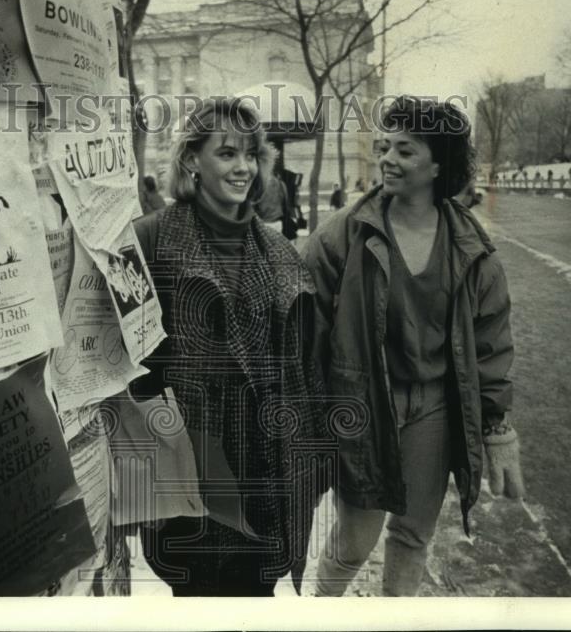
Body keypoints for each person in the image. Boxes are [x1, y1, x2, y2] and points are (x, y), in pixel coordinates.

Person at [304, 95, 523, 597]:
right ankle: (318, 613)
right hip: (362, 406)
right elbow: (307, 326)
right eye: (386, 147)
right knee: (355, 541)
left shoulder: (472, 248)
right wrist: (311, 409)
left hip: (433, 411)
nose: (387, 159)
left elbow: (491, 342)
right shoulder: (343, 234)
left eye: (405, 151)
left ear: (437, 165)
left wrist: (497, 425)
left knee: (412, 535)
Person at [131, 97, 329, 596]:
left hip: (267, 474)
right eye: (226, 154)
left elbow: (304, 367)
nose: (242, 167)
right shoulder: (151, 239)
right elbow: (132, 367)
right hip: (192, 474)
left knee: (255, 602)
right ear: (191, 160)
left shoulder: (279, 249)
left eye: (250, 155)